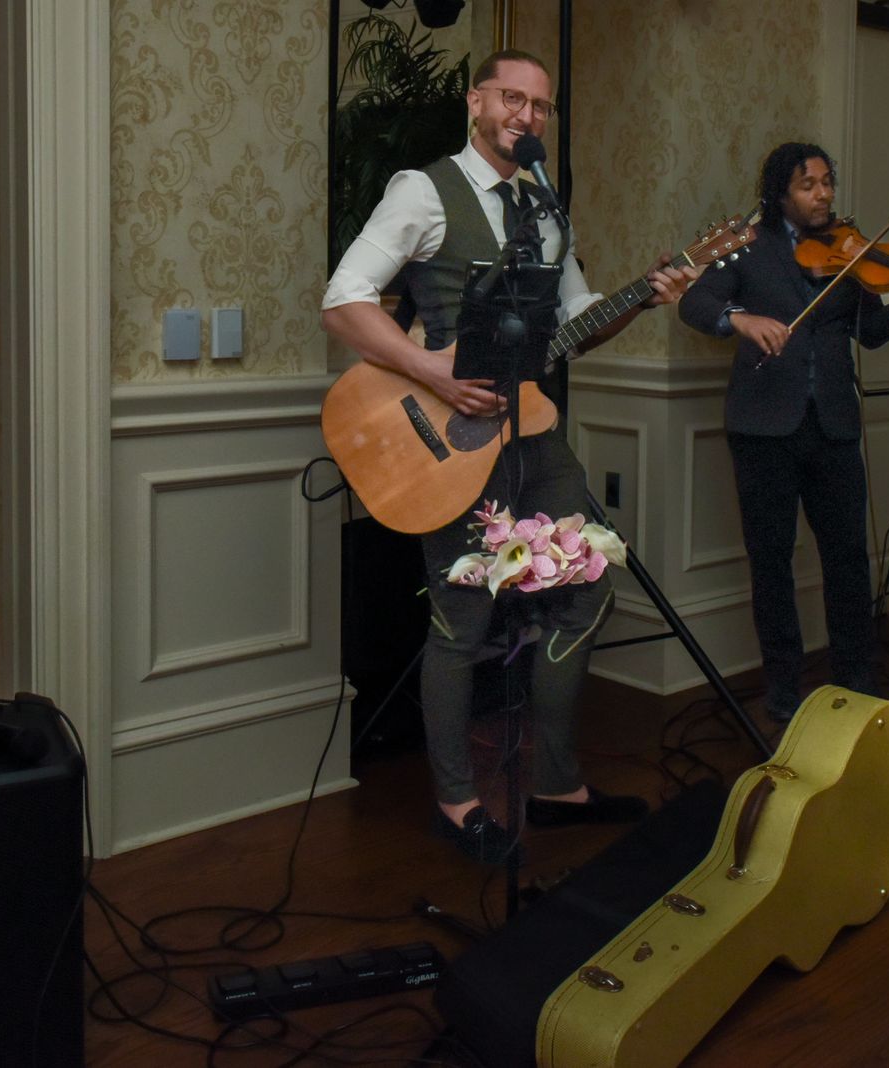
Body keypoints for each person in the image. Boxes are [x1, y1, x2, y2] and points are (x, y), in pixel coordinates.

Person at [322, 48, 698, 864]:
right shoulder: (424, 191)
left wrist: (644, 297)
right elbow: (344, 299)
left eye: (540, 105)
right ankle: (456, 801)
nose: (526, 115)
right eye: (511, 98)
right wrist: (434, 373)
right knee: (460, 624)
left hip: (532, 434)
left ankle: (556, 786)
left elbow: (578, 321)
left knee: (589, 591)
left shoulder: (547, 209)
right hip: (444, 440)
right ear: (476, 102)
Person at [678, 142, 889, 722]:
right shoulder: (745, 246)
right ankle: (783, 689)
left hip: (833, 424)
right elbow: (695, 303)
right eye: (809, 185)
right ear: (780, 193)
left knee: (848, 559)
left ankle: (856, 682)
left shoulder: (849, 252)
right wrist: (740, 319)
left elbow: (871, 330)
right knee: (771, 562)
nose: (823, 194)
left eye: (827, 182)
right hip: (763, 428)